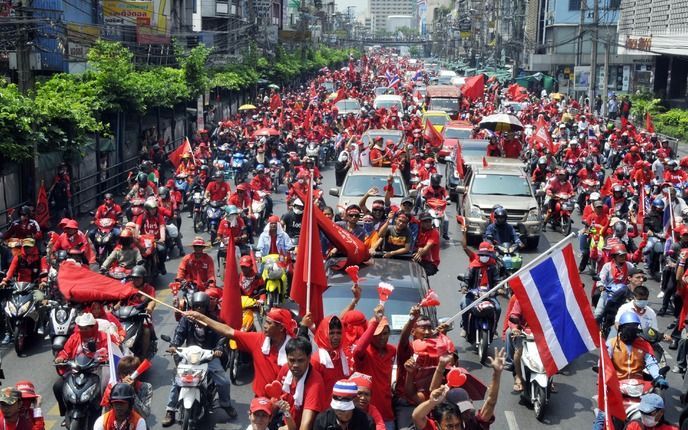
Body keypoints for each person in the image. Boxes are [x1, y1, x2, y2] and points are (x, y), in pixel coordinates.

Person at [185, 306, 296, 398]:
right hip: (261, 404)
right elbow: (228, 331)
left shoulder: (296, 351)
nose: (264, 326)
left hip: (285, 405)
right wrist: (201, 317)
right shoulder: (258, 340)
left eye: (269, 323)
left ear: (281, 328)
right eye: (265, 322)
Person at [162, 292, 235, 426]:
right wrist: (174, 345)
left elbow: (221, 336)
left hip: (209, 356)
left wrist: (218, 349)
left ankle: (225, 404)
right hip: (190, 356)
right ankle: (170, 410)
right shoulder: (186, 319)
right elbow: (179, 333)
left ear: (207, 308)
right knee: (177, 380)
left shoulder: (214, 320)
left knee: (224, 382)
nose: (199, 310)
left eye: (202, 307)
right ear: (192, 307)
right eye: (196, 307)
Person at [411, 347, 505, 430]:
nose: (466, 413)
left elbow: (490, 403)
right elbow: (417, 415)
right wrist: (441, 366)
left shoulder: (473, 425)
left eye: (457, 425)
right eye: (450, 426)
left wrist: (497, 374)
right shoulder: (436, 418)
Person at [53, 313, 111, 418]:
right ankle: (66, 412)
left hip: (97, 371)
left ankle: (106, 412)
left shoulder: (104, 336)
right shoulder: (74, 337)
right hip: (77, 370)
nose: (84, 330)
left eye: (87, 328)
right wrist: (61, 358)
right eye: (81, 328)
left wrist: (105, 357)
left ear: (93, 327)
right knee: (58, 386)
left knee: (107, 387)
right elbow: (66, 352)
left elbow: (111, 351)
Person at [353, 304, 396, 428]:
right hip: (365, 415)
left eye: (385, 333)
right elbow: (357, 350)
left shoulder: (392, 351)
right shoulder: (364, 352)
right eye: (378, 334)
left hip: (387, 414)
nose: (382, 338)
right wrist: (375, 322)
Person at [271, 336, 326, 429]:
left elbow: (305, 425)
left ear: (309, 358)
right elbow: (275, 398)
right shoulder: (285, 369)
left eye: (300, 360)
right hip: (286, 420)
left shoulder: (315, 383)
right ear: (287, 357)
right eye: (292, 360)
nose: (295, 365)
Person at [100, 356, 153, 420]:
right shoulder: (112, 388)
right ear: (120, 375)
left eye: (131, 373)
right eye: (124, 373)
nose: (127, 376)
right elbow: (105, 414)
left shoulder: (146, 387)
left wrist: (131, 390)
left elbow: (145, 414)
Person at [134, 199, 166, 274]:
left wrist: (162, 238)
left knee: (162, 250)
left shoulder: (159, 217)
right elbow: (137, 227)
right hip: (144, 240)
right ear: (147, 209)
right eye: (151, 209)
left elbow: (162, 227)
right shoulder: (142, 217)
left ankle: (161, 265)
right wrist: (136, 235)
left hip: (156, 240)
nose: (153, 211)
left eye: (154, 209)